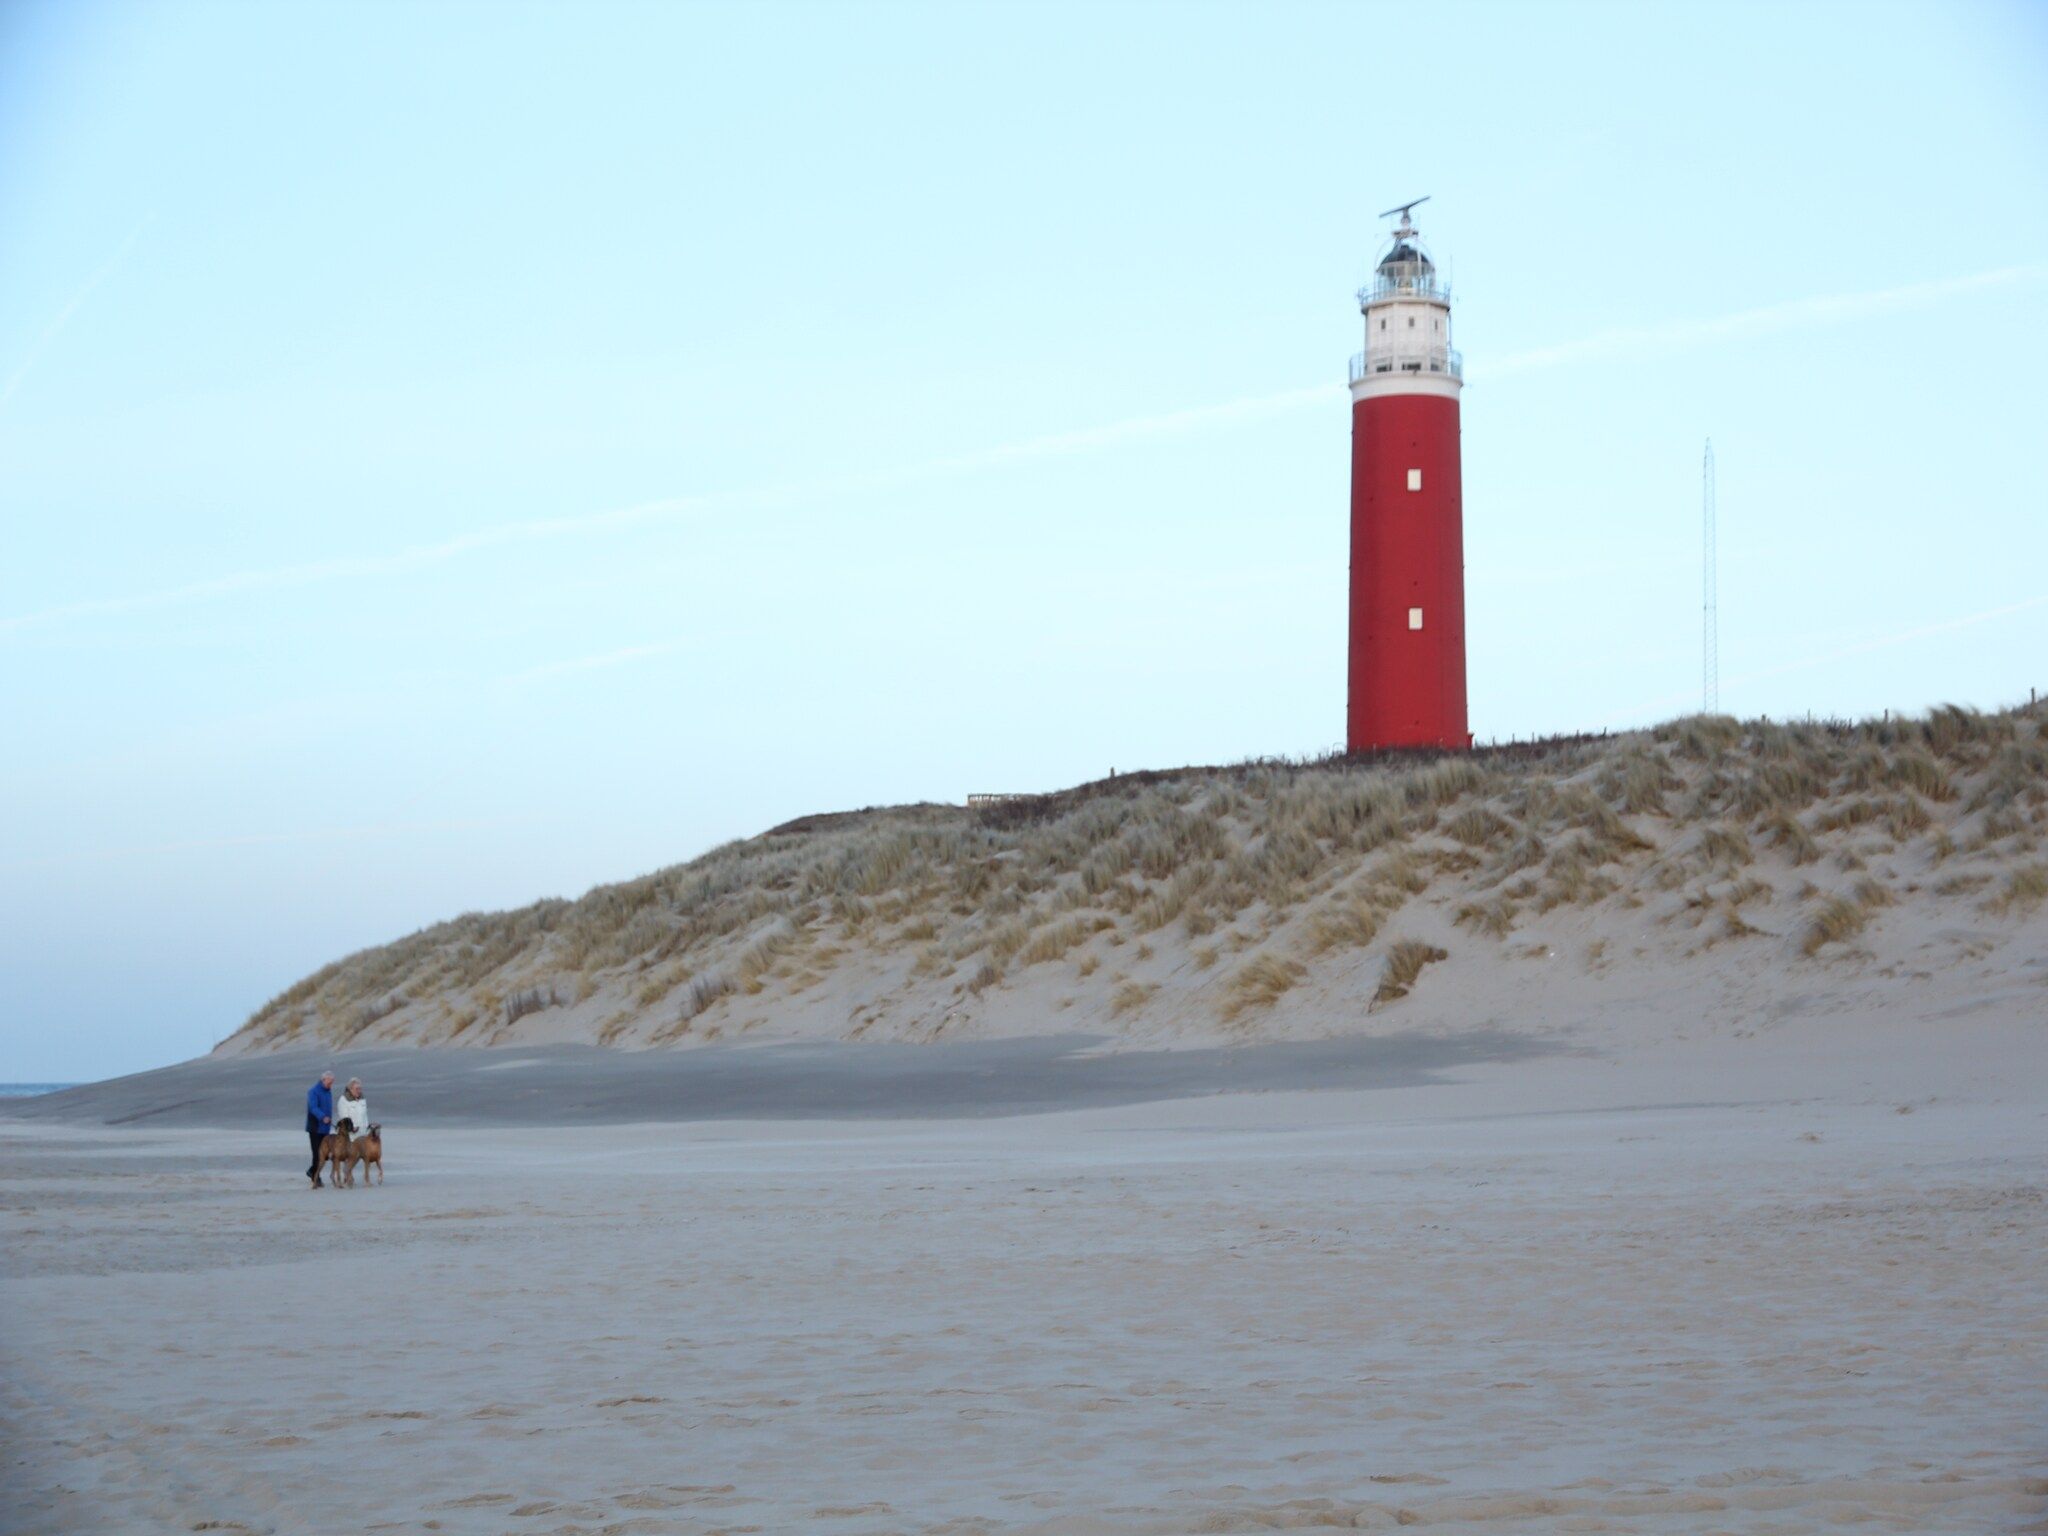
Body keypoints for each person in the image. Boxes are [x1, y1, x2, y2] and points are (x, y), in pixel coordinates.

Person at [305, 1068, 335, 1188]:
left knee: (327, 1154)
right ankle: (315, 1178)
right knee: (317, 1154)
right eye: (329, 1082)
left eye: (332, 1082)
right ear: (323, 1080)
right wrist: (323, 1117)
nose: (331, 1084)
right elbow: (313, 1108)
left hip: (325, 1128)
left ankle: (312, 1171)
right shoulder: (313, 1091)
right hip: (315, 1127)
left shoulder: (328, 1091)